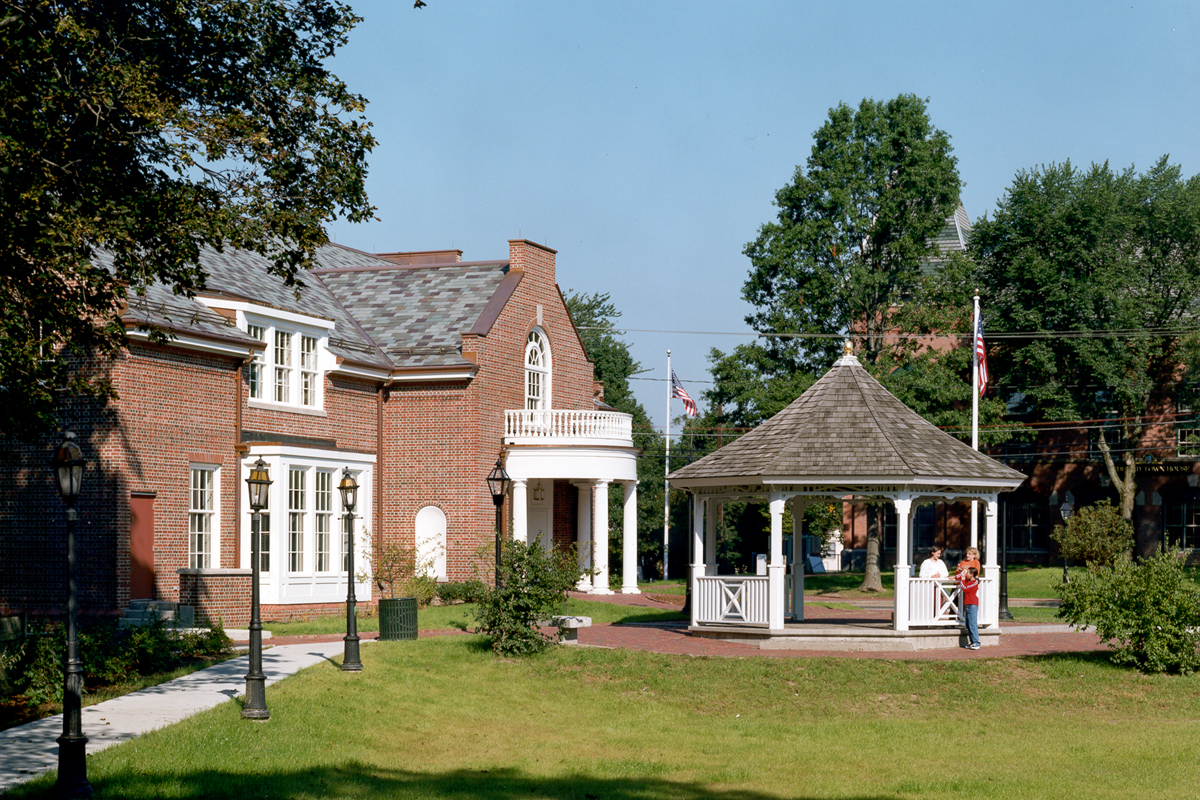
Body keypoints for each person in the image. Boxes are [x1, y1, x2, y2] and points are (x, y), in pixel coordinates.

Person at [956, 565, 981, 650]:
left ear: (972, 574)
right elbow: (959, 577)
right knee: (968, 624)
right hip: (967, 604)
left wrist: (962, 579)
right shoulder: (967, 580)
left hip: (972, 604)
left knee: (972, 624)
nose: (966, 574)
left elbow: (965, 588)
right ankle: (972, 642)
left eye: (968, 573)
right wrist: (960, 572)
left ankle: (976, 642)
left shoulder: (975, 582)